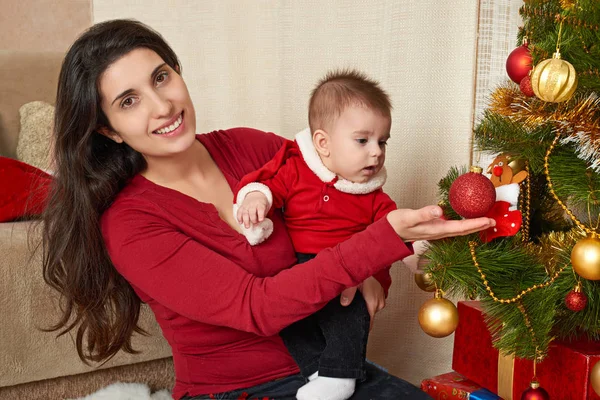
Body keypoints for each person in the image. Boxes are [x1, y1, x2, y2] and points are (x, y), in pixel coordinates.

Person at [41, 19, 495, 400]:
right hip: (238, 391)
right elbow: (257, 308)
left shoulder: (250, 147)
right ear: (109, 130)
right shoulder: (129, 224)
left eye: (161, 77)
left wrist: (375, 273)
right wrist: (382, 244)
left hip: (332, 373)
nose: (162, 106)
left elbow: (350, 210)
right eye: (129, 101)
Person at [233, 69, 397, 400]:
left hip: (348, 272)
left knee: (348, 316)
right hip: (300, 268)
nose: (377, 152)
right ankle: (315, 370)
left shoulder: (373, 197)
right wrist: (255, 199)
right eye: (363, 140)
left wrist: (416, 252)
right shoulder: (296, 169)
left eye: (383, 141)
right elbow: (271, 188)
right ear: (323, 143)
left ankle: (342, 374)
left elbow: (395, 229)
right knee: (290, 321)